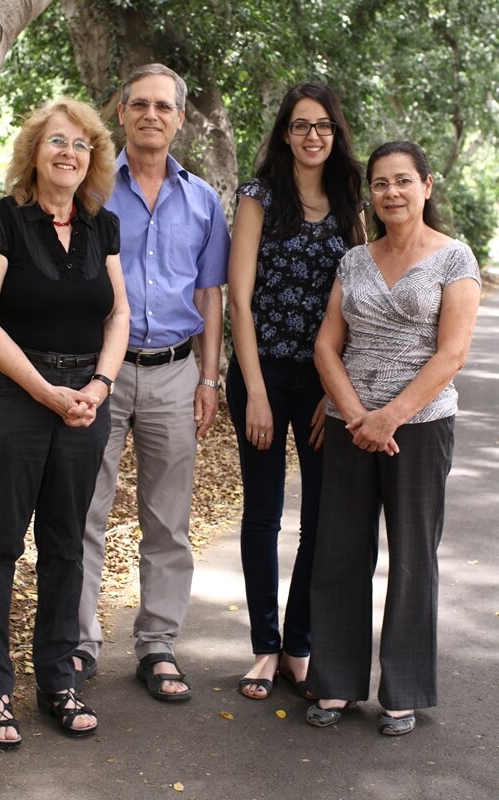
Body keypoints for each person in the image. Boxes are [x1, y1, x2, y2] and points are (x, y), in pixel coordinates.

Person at [0, 97, 130, 748]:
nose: (70, 152)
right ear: (33, 150)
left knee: (65, 546)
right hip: (13, 401)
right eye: (57, 141)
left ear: (92, 160)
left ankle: (58, 678)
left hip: (84, 403)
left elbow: (118, 315)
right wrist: (47, 392)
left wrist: (97, 385)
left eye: (82, 144)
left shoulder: (101, 227)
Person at [305, 141, 480, 735]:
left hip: (421, 428)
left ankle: (403, 690)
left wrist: (391, 418)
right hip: (350, 424)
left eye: (403, 181)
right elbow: (328, 345)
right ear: (370, 194)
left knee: (411, 557)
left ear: (426, 186)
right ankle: (335, 684)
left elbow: (452, 353)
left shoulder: (455, 258)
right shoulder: (354, 261)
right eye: (380, 183)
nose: (391, 193)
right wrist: (356, 414)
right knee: (340, 551)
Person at [75, 64, 230, 701]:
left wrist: (211, 377)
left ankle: (158, 644)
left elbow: (210, 294)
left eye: (163, 106)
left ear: (180, 118)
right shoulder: (89, 189)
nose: (151, 115)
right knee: (83, 511)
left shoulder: (203, 202)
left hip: (174, 372)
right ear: (120, 113)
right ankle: (77, 645)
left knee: (167, 520)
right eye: (139, 104)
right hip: (96, 372)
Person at [226, 82, 365, 700]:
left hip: (321, 380)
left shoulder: (350, 202)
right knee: (262, 514)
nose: (313, 136)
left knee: (321, 519)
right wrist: (255, 388)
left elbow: (361, 303)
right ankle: (263, 646)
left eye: (325, 127)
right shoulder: (258, 196)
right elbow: (239, 297)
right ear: (285, 132)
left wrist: (336, 393)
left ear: (335, 136)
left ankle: (298, 646)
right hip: (262, 372)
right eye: (302, 125)